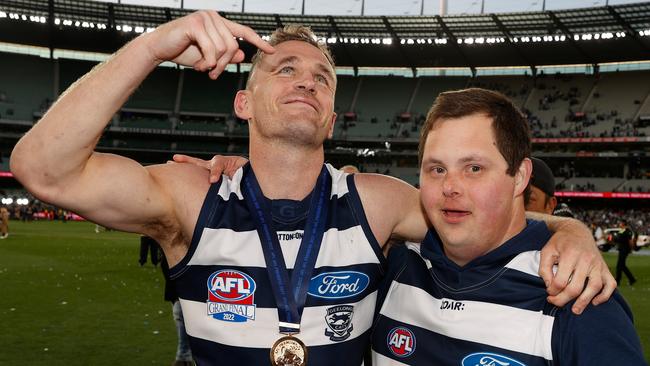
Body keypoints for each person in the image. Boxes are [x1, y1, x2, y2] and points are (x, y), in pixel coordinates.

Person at [9, 10, 614, 365]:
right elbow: (43, 170)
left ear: (330, 117)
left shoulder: (375, 202)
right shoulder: (190, 197)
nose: (306, 82)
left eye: (321, 78)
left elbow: (482, 221)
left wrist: (569, 227)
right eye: (284, 68)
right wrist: (156, 44)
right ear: (244, 102)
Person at [370, 88, 645, 365]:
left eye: (474, 168)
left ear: (520, 176)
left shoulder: (575, 299)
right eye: (437, 169)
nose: (450, 187)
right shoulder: (391, 264)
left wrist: (572, 229)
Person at [158, 238, 194, 366]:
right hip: (178, 288)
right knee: (181, 318)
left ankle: (184, 357)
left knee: (182, 317)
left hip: (184, 288)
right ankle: (185, 356)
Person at [614, 220, 637, 286]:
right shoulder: (621, 231)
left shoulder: (627, 231)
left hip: (625, 250)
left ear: (623, 224)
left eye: (620, 223)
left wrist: (631, 249)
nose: (619, 224)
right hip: (621, 249)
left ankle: (618, 280)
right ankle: (631, 279)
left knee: (619, 265)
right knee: (622, 266)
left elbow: (630, 241)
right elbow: (619, 239)